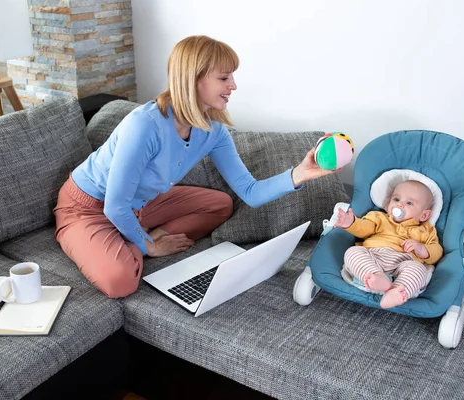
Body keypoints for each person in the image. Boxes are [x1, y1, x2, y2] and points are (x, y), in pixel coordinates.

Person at [53, 35, 337, 298]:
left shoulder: (214, 131)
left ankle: (133, 236)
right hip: (88, 207)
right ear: (194, 79)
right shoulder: (145, 126)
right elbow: (115, 206)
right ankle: (131, 244)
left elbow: (249, 192)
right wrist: (149, 246)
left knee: (220, 205)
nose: (234, 85)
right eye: (224, 77)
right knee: (121, 281)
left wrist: (300, 173)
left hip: (139, 204)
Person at [334, 180, 443, 309]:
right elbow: (364, 228)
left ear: (424, 215)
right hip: (374, 256)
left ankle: (395, 292)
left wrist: (422, 248)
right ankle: (377, 277)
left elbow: (437, 251)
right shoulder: (379, 217)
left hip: (403, 263)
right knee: (352, 252)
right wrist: (351, 222)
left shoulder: (426, 230)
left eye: (409, 203)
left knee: (419, 270)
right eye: (396, 199)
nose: (400, 205)